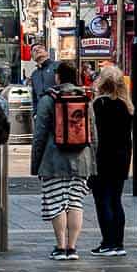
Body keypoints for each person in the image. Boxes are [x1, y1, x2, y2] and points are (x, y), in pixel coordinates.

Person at [31, 57, 95, 260]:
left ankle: (60, 246)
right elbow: (93, 132)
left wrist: (36, 164)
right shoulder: (86, 97)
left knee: (57, 202)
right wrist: (93, 161)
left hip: (54, 158)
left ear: (58, 77)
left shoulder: (49, 98)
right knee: (75, 202)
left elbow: (40, 133)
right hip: (81, 158)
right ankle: (72, 247)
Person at [90, 65, 133, 255]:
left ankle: (107, 242)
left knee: (102, 200)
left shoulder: (99, 104)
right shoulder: (126, 105)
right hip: (122, 157)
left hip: (103, 156)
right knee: (116, 199)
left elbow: (95, 134)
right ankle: (118, 243)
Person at [28, 43, 56, 112]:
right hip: (42, 114)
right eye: (34, 50)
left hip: (59, 111)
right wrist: (35, 113)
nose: (37, 50)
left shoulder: (58, 66)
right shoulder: (34, 74)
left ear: (46, 52)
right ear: (32, 57)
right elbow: (34, 97)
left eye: (40, 48)